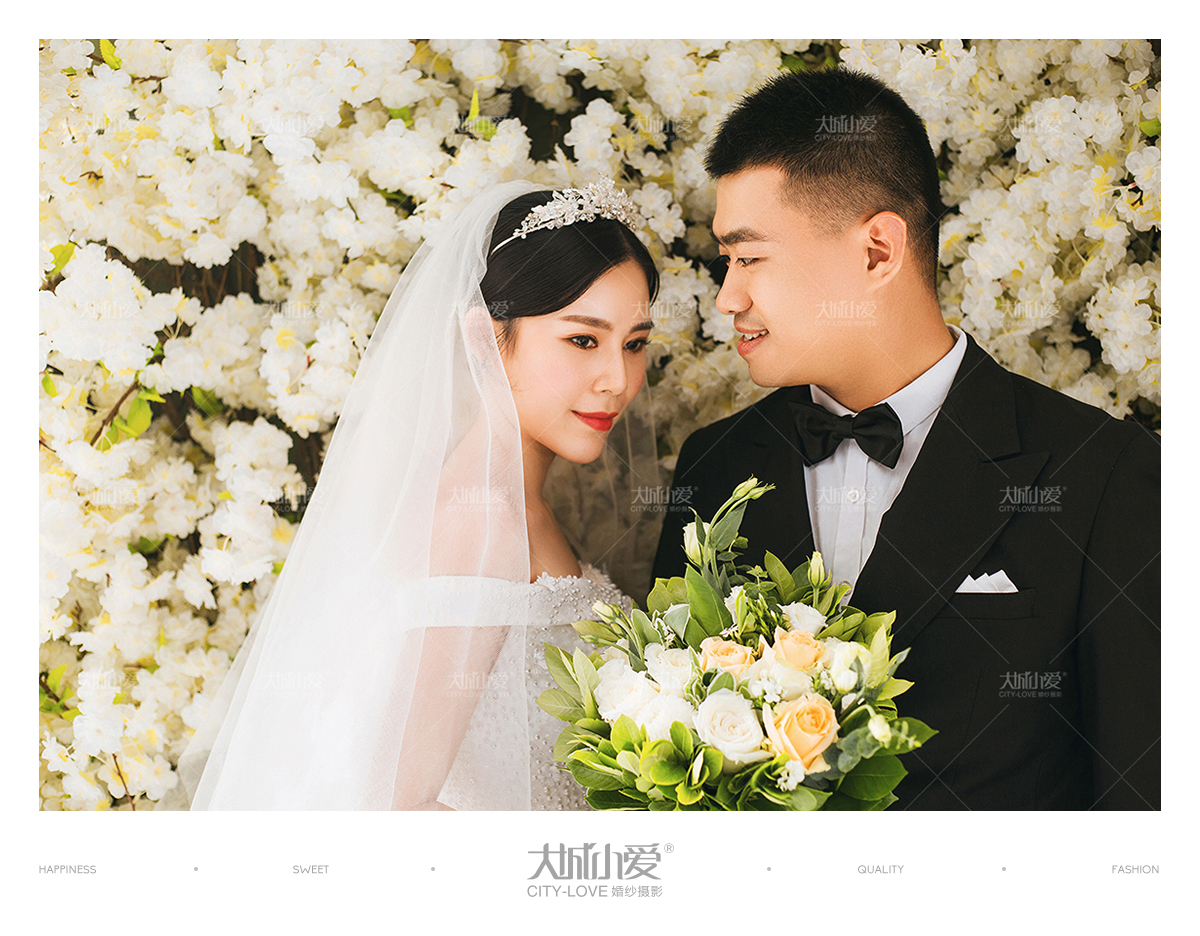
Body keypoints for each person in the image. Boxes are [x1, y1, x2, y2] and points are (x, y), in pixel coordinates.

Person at [651, 68, 1160, 810]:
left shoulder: (1103, 475)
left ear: (878, 252)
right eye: (727, 263)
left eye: (750, 257)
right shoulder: (716, 463)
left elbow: (1142, 798)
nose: (729, 297)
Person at [170, 178, 659, 810]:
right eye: (583, 340)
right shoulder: (479, 521)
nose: (617, 379)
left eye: (635, 344)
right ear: (485, 339)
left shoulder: (512, 506)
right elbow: (398, 807)